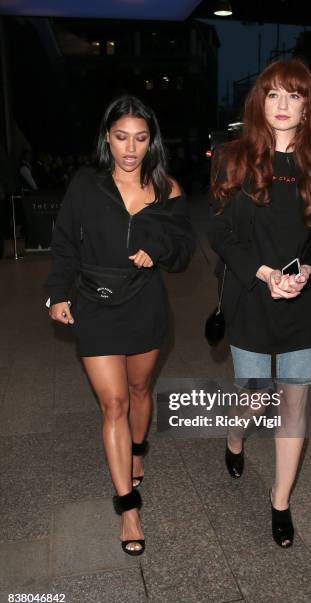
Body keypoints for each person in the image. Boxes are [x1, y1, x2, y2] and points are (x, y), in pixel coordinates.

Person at [45, 94, 195, 556]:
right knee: (112, 404)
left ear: (152, 142)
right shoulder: (86, 184)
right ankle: (128, 508)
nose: (131, 148)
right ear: (107, 139)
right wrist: (58, 293)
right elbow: (65, 241)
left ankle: (136, 452)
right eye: (121, 137)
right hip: (95, 302)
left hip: (144, 302)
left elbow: (185, 250)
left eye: (141, 138)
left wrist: (160, 251)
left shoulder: (167, 188)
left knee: (139, 392)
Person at [208, 59, 311, 548]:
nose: (283, 105)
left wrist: (306, 271)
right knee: (255, 396)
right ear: (259, 102)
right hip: (249, 293)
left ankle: (280, 500)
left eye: (295, 95)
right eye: (273, 94)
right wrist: (264, 273)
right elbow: (220, 233)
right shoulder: (233, 158)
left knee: (292, 403)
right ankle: (235, 438)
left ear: (308, 107)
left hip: (300, 301)